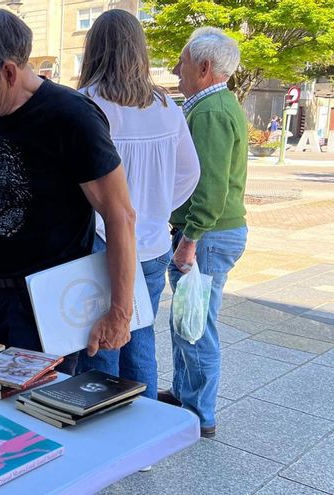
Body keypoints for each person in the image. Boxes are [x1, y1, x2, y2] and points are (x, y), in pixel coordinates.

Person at [0, 8, 137, 363]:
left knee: (31, 416)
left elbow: (120, 214)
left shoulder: (72, 116)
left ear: (8, 72)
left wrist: (119, 313)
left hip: (44, 308)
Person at [74, 10, 201, 399]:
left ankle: (104, 430)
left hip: (100, 238)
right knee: (140, 335)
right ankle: (144, 433)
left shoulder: (86, 104)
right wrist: (156, 209)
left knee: (100, 341)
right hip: (152, 243)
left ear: (94, 50)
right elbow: (190, 173)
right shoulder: (166, 105)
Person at [162, 27, 248, 439]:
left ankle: (199, 412)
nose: (176, 70)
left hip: (209, 235)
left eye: (182, 62)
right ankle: (184, 396)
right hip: (214, 232)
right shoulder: (215, 103)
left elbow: (210, 188)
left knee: (197, 323)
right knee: (187, 319)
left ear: (204, 66)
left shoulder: (211, 110)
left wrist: (189, 239)